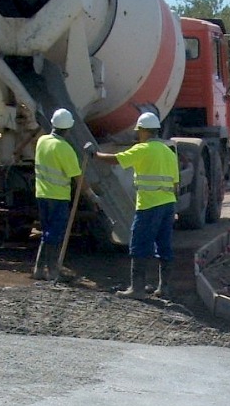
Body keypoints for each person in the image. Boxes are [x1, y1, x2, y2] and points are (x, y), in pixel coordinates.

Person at [91, 111, 179, 298]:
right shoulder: (168, 151)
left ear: (144, 131)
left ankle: (137, 289)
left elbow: (117, 159)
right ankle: (164, 288)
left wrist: (95, 154)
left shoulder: (142, 149)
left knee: (139, 244)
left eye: (139, 131)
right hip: (167, 205)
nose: (138, 134)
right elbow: (175, 184)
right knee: (164, 245)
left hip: (148, 206)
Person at [31, 108, 84, 280]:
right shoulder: (65, 149)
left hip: (42, 194)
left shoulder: (42, 141)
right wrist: (92, 195)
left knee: (46, 232)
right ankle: (52, 271)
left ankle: (39, 269)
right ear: (68, 128)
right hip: (58, 197)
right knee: (54, 233)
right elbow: (77, 177)